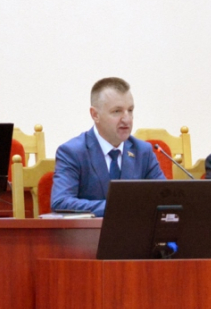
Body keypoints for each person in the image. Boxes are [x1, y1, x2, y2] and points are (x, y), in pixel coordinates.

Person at [51, 77, 165, 217]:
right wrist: (118, 207)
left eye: (130, 110)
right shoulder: (73, 152)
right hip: (91, 231)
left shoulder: (143, 151)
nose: (127, 119)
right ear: (95, 115)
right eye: (117, 111)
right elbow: (61, 202)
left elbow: (164, 198)